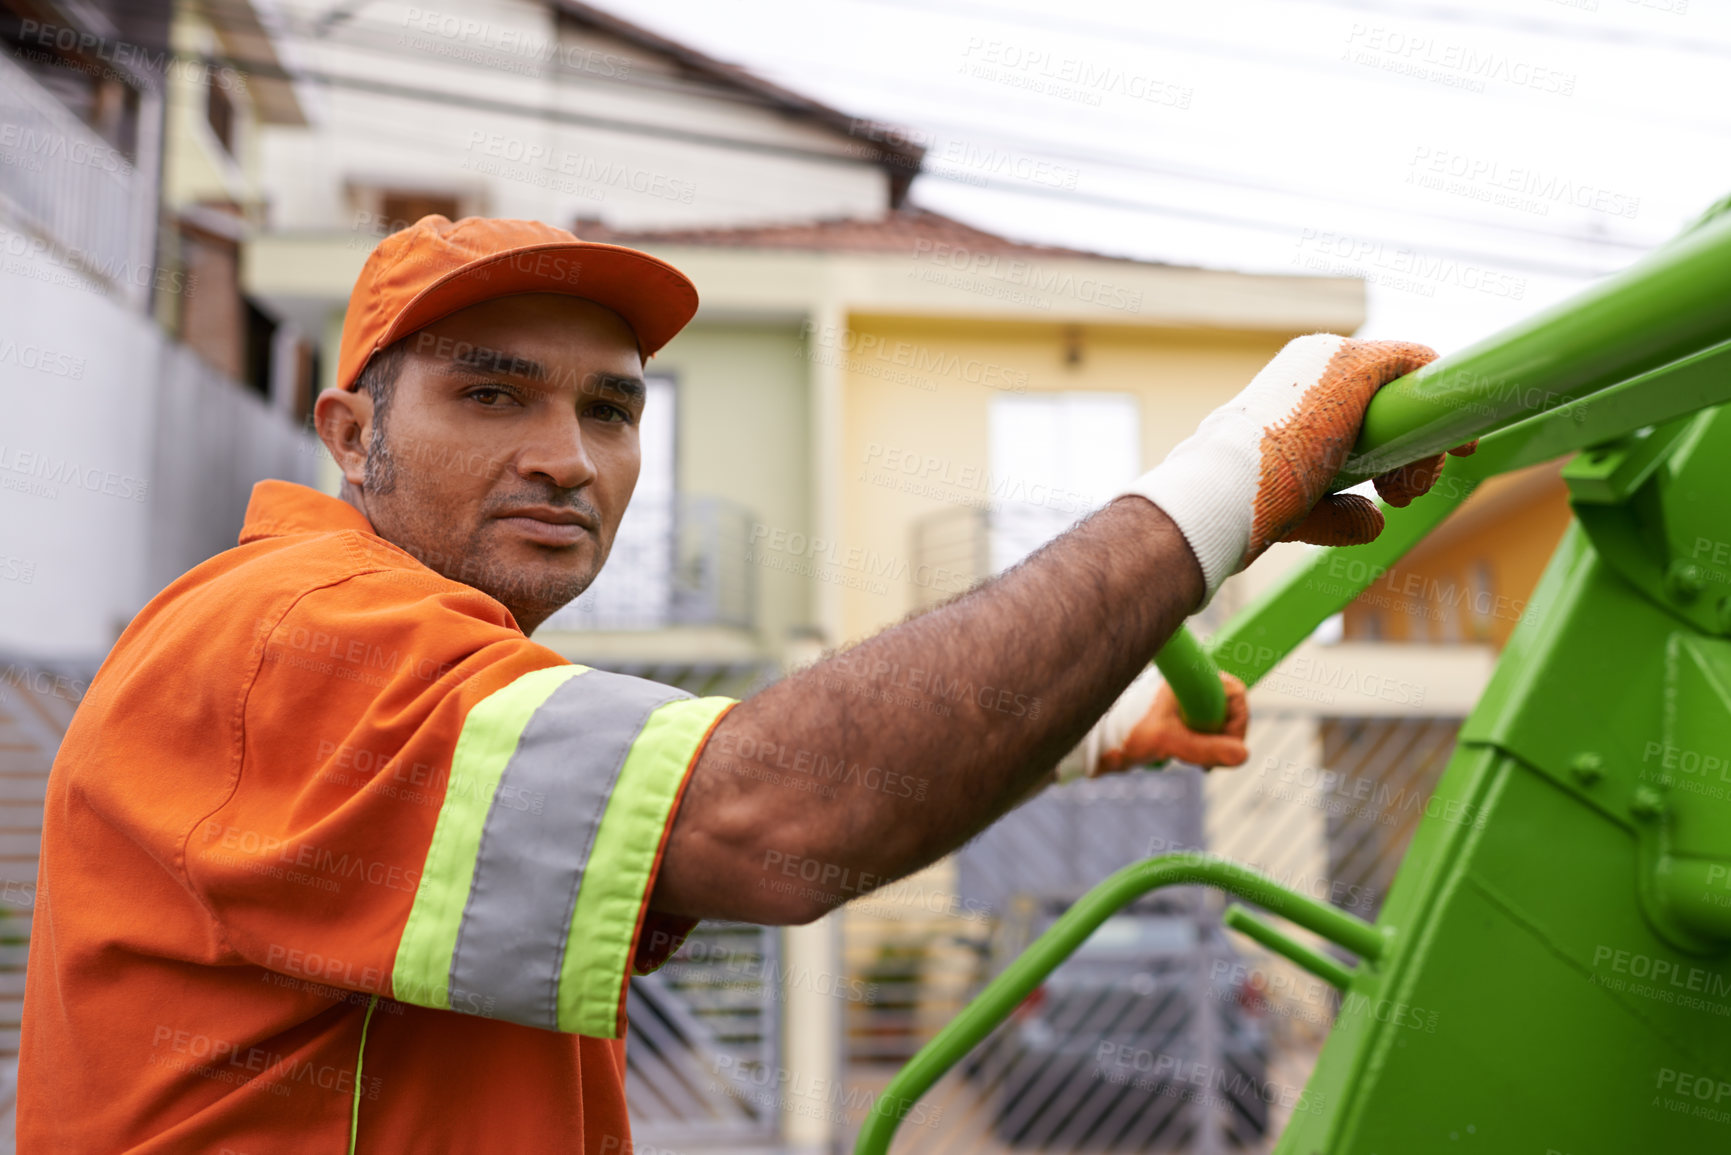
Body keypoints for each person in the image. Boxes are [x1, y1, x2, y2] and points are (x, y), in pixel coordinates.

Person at [18, 216, 1465, 1152]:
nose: (568, 458)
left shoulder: (400, 660)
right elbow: (782, 816)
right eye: (490, 391)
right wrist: (1225, 481)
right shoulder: (302, 638)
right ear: (350, 432)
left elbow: (717, 830)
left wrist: (1075, 742)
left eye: (610, 409)